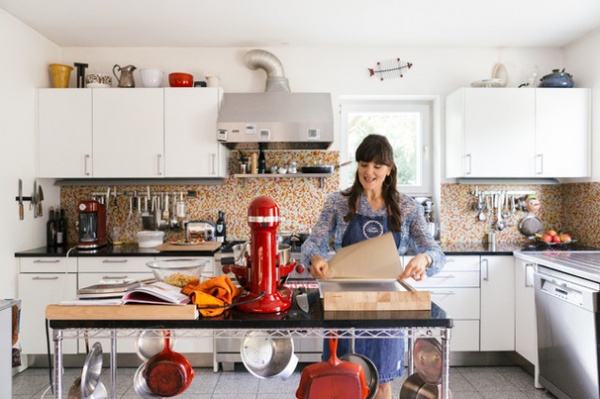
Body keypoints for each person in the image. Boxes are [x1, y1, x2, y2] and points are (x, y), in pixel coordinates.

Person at [301, 134, 445, 399]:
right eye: (364, 164)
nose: (369, 172)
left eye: (377, 166)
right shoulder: (338, 202)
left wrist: (424, 259)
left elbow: (434, 251)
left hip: (387, 307)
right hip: (343, 304)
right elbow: (313, 244)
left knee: (382, 383)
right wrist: (316, 258)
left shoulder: (407, 207)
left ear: (389, 169)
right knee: (341, 381)